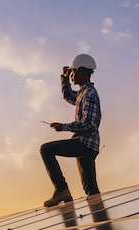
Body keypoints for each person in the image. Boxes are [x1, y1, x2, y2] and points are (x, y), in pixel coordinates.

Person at [40, 53, 101, 207]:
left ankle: (61, 190)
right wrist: (64, 78)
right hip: (87, 145)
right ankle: (102, 220)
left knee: (46, 150)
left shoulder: (90, 94)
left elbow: (89, 124)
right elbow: (68, 96)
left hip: (85, 144)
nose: (72, 75)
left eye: (73, 72)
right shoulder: (83, 93)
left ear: (82, 71)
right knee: (91, 189)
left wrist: (63, 127)